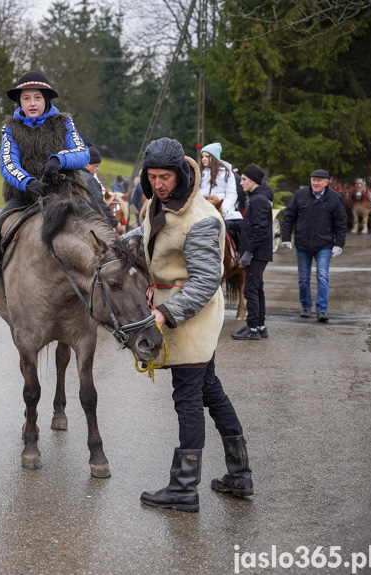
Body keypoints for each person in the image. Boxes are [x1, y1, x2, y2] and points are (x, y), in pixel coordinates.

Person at [124, 137, 253, 512]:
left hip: (189, 316)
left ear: (180, 175)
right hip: (170, 310)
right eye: (153, 176)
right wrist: (116, 243)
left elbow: (205, 281)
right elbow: (144, 235)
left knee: (188, 399)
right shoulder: (155, 204)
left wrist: (164, 314)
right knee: (210, 390)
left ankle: (183, 489)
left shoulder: (201, 219)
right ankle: (239, 475)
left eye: (165, 176)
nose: (159, 183)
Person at [0, 71, 89, 323]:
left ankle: (109, 294)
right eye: (26, 98)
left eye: (37, 97)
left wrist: (59, 159)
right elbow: (7, 162)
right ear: (19, 102)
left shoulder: (65, 122)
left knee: (98, 229)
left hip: (66, 193)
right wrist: (27, 181)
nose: (32, 103)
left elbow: (82, 152)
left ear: (46, 99)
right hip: (25, 196)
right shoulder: (10, 128)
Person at [281, 169, 347, 323]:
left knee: (322, 276)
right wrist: (285, 237)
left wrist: (339, 244)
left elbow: (341, 223)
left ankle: (322, 309)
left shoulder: (335, 198)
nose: (315, 183)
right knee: (303, 278)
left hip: (324, 245)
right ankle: (305, 306)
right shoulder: (300, 195)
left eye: (319, 180)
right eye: (313, 180)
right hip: (303, 244)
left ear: (326, 182)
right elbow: (289, 217)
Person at [231, 164, 274, 341]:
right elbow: (251, 225)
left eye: (244, 179)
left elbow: (260, 229)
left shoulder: (258, 200)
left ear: (254, 181)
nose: (241, 183)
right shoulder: (257, 198)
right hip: (258, 252)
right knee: (257, 289)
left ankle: (253, 327)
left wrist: (248, 252)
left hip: (256, 253)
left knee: (250, 290)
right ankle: (260, 326)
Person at [198, 142, 242, 244]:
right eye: (202, 156)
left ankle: (240, 252)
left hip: (222, 209)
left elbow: (232, 194)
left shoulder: (227, 173)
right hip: (202, 209)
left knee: (240, 226)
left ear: (214, 157)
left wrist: (224, 210)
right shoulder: (198, 172)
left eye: (207, 156)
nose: (203, 159)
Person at [80, 144, 123, 233]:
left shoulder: (75, 174)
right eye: (96, 166)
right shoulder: (90, 180)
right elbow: (98, 204)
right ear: (87, 165)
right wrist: (115, 223)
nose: (98, 169)